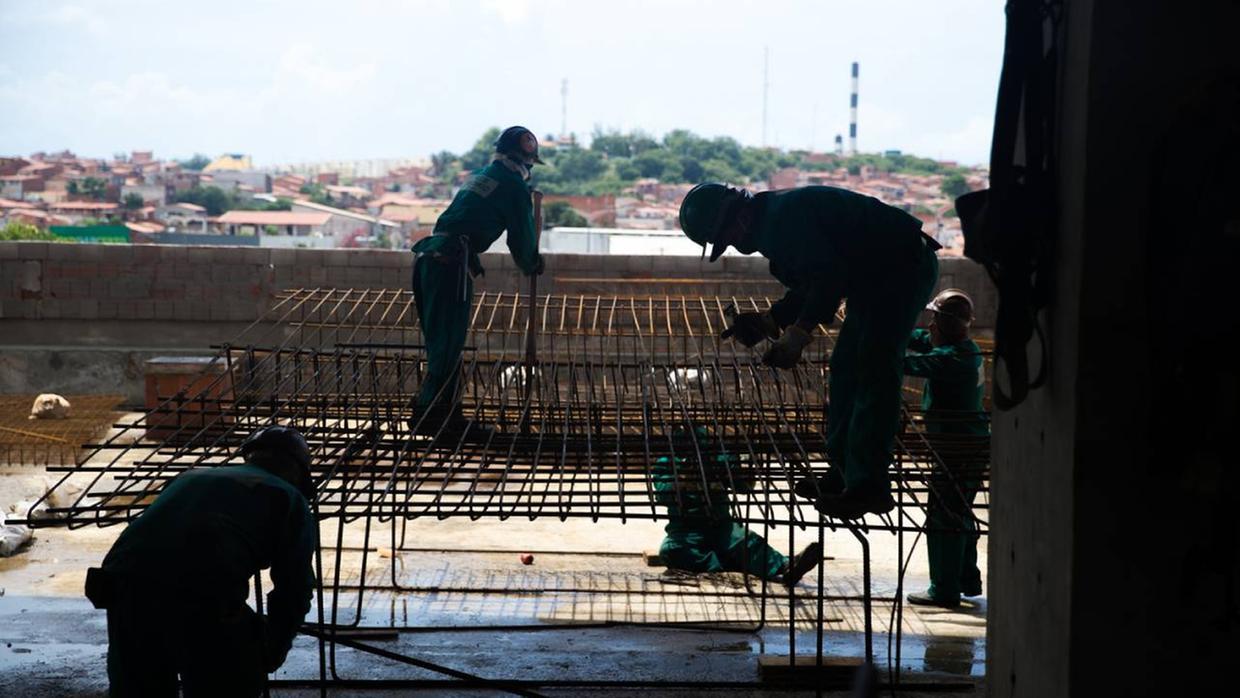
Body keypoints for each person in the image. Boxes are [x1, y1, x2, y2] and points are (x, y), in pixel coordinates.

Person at [679, 183, 940, 519]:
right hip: (873, 277)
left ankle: (869, 486)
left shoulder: (783, 221)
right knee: (845, 368)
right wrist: (771, 320)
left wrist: (799, 334)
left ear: (738, 216)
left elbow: (829, 278)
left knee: (875, 367)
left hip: (903, 267)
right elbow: (813, 284)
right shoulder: (772, 224)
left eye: (726, 236)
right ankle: (844, 472)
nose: (732, 244)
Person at [85, 426, 318, 697]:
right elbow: (294, 589)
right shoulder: (289, 497)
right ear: (297, 470)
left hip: (120, 582)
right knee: (231, 675)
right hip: (198, 591)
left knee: (138, 684)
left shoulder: (191, 476)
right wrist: (274, 648)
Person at [411, 125, 545, 437]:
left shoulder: (481, 175)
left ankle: (435, 413)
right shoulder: (514, 186)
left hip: (428, 256)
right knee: (448, 345)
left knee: (440, 344)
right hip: (451, 262)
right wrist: (533, 262)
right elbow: (521, 240)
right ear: (527, 162)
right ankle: (435, 418)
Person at [902, 289, 989, 608]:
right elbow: (919, 340)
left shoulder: (953, 359)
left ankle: (944, 589)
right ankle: (965, 578)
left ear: (947, 325)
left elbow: (905, 362)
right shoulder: (964, 347)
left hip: (958, 450)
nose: (930, 327)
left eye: (935, 321)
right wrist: (891, 327)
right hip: (967, 446)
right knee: (959, 513)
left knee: (944, 516)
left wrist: (872, 341)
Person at [653, 428, 823, 586]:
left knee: (745, 540)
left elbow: (743, 486)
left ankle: (785, 566)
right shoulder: (666, 463)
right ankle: (726, 563)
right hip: (686, 529)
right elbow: (662, 494)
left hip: (721, 524)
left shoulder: (716, 458)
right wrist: (683, 477)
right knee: (671, 551)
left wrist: (744, 470)